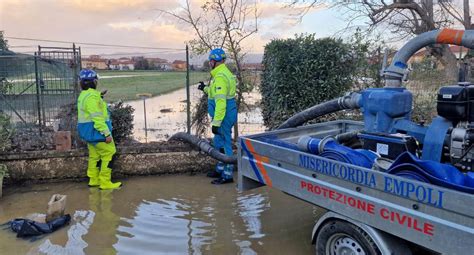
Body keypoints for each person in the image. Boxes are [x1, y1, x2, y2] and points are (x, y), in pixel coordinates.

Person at [77, 69, 122, 190]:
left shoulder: (84, 95)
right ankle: (105, 182)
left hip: (89, 134)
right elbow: (97, 118)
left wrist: (100, 96)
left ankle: (94, 179)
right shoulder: (92, 97)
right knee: (109, 153)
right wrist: (107, 134)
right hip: (97, 132)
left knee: (94, 156)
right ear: (94, 82)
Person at [198, 48, 238, 184]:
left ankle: (227, 176)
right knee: (218, 143)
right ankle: (220, 169)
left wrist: (216, 123)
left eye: (211, 60)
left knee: (225, 144)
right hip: (223, 116)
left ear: (214, 61)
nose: (209, 63)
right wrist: (205, 88)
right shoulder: (221, 74)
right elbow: (216, 93)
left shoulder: (220, 77)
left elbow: (221, 103)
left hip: (223, 117)